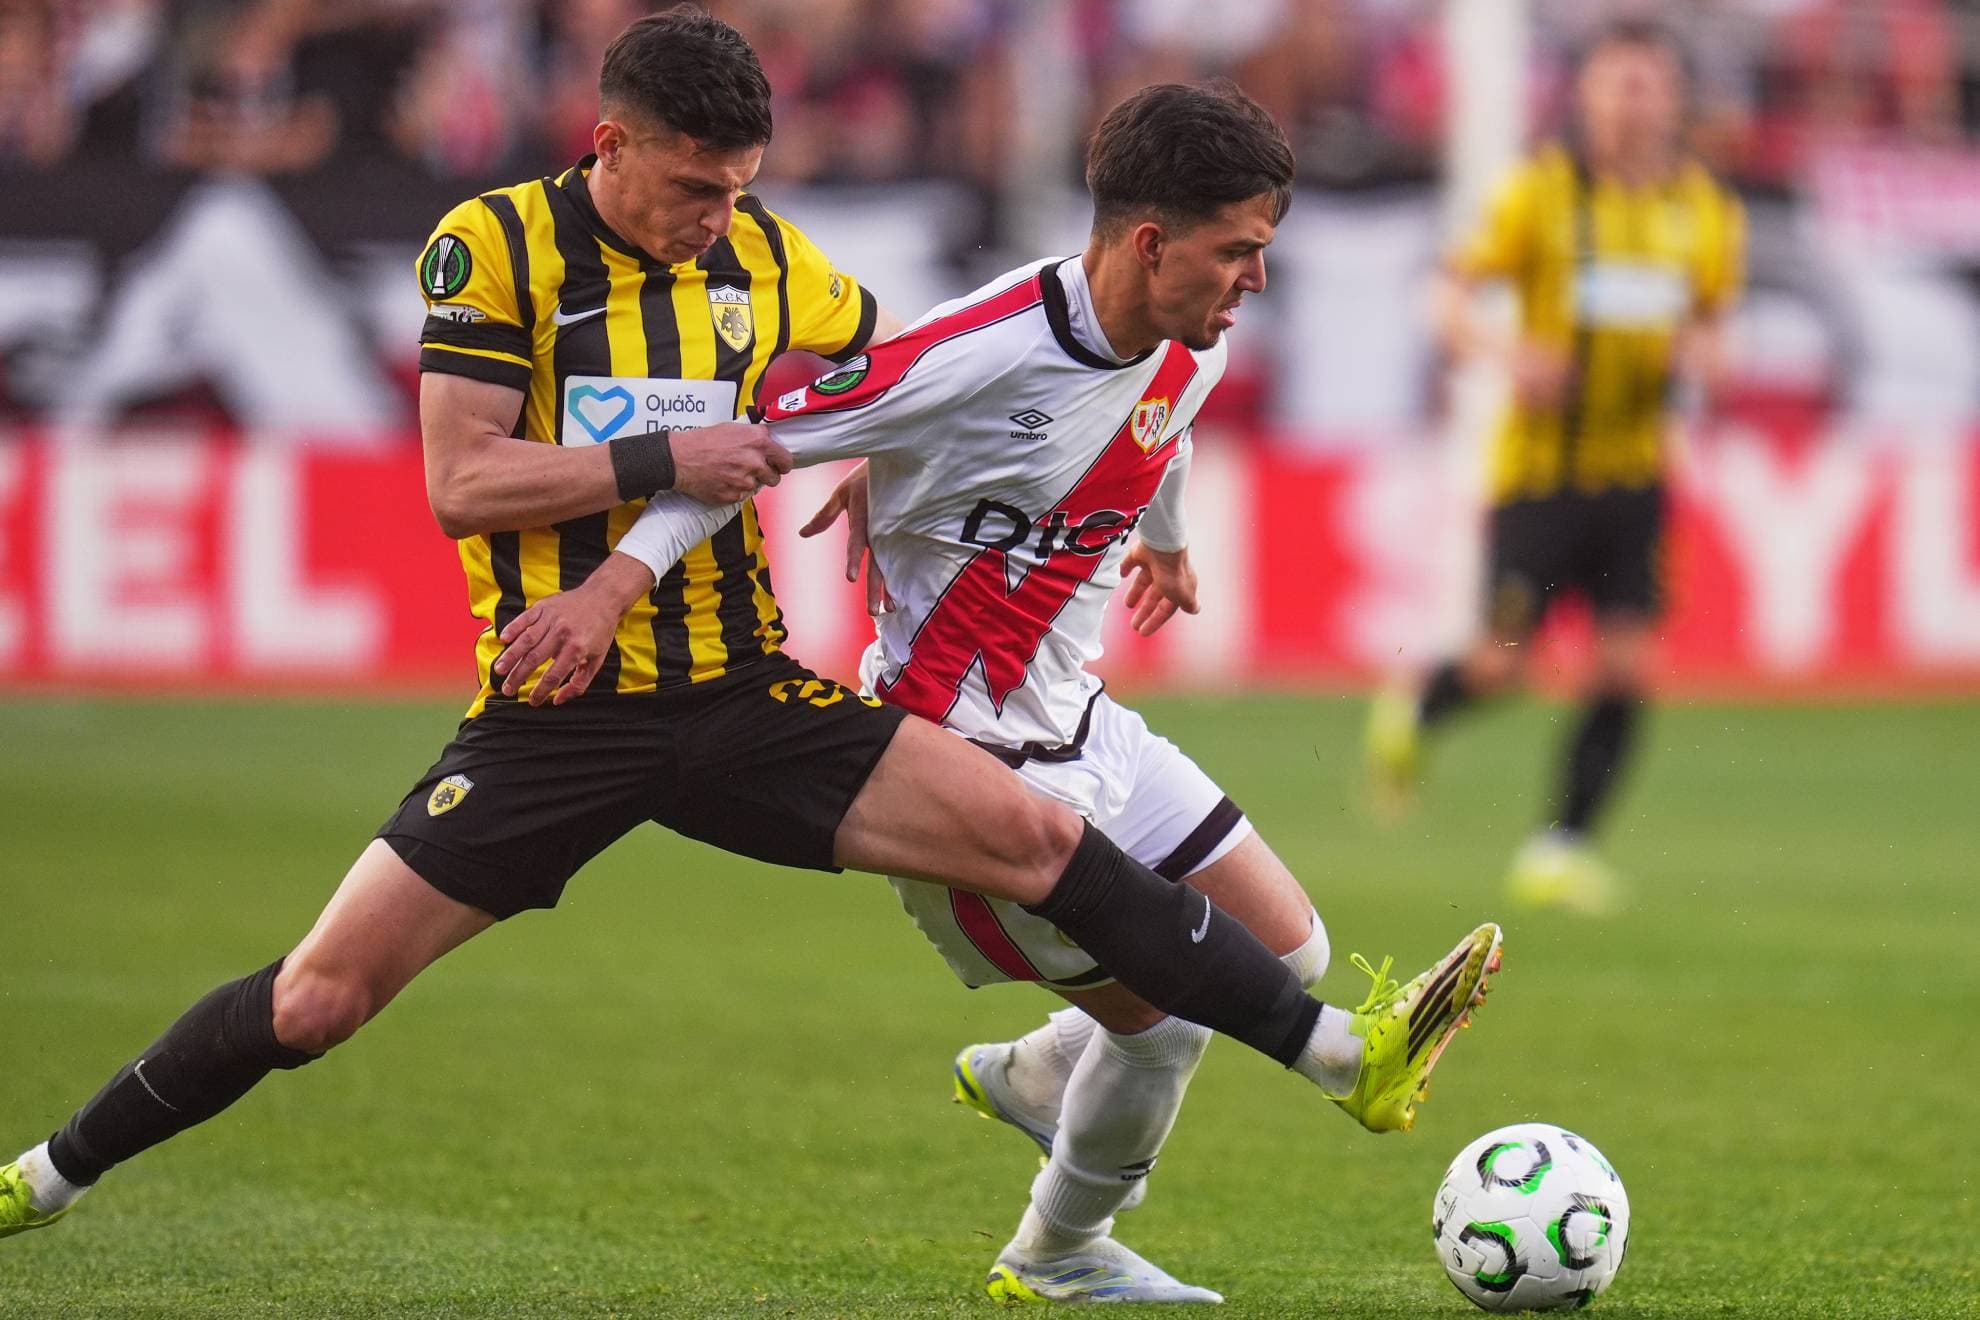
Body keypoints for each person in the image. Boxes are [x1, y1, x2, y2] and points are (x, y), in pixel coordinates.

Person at [1, 9, 1452, 1249]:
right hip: (559, 715)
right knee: (320, 999)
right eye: (695, 189)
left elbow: (912, 370)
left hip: (745, 694)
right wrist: (665, 469)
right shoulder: (493, 249)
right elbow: (462, 483)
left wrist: (894, 463)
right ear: (608, 143)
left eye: (738, 191)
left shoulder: (759, 256)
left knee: (1039, 840)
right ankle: (46, 1178)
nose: (718, 220)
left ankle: (1333, 1056)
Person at [487, 80, 1504, 1305]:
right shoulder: (983, 349)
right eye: (1240, 252)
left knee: (1290, 950)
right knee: (1175, 1018)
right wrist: (607, 592)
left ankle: (1039, 1078)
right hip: (959, 761)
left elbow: (1159, 420)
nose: (1256, 280)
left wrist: (1168, 539)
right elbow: (746, 451)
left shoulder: (1191, 331)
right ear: (1149, 241)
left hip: (1083, 719)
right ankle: (1059, 1253)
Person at [1365, 19, 1745, 915]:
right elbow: (1446, 294)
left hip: (1637, 474)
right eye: (1617, 84)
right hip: (1540, 475)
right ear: (1584, 95)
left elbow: (1714, 323)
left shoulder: (1705, 212)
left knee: (1625, 667)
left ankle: (1560, 846)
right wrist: (1505, 351)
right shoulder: (1540, 196)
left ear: (1674, 99)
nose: (1631, 103)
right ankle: (1422, 703)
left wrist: (1709, 355)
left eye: (1647, 86)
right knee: (1506, 667)